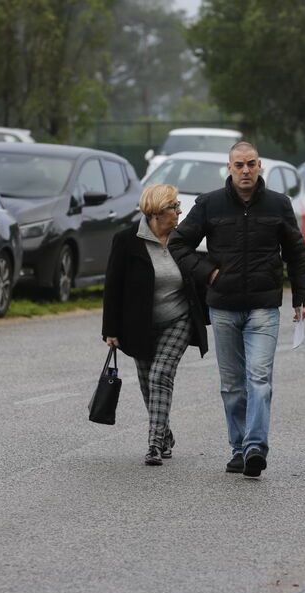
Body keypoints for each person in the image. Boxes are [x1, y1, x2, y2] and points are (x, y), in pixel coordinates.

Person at [168, 141, 305, 477]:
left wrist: (302, 297)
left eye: (250, 164)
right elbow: (178, 243)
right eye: (238, 165)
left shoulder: (278, 204)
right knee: (232, 385)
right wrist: (207, 272)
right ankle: (238, 446)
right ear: (229, 168)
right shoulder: (209, 204)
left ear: (259, 165)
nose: (245, 170)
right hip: (224, 307)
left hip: (264, 306)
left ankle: (255, 448)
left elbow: (296, 252)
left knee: (259, 378)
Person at [102, 184, 209, 466]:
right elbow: (113, 286)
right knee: (148, 383)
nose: (180, 211)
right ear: (158, 212)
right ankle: (165, 435)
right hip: (139, 325)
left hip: (179, 319)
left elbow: (198, 274)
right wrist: (110, 329)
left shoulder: (182, 239)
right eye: (174, 207)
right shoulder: (127, 241)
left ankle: (153, 444)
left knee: (160, 375)